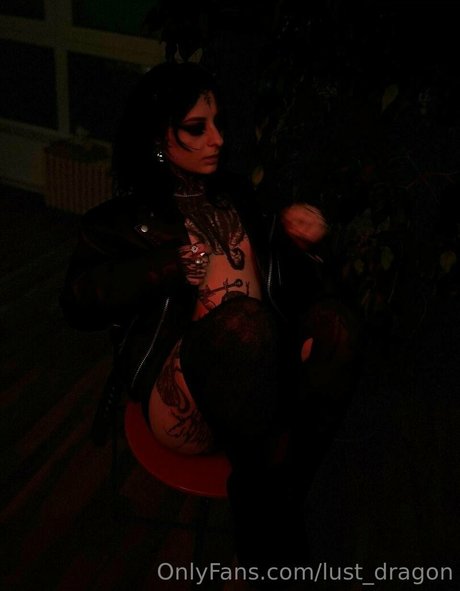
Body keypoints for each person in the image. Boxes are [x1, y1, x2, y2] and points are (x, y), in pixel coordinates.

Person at [60, 61, 360, 582]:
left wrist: (296, 241)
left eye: (218, 123)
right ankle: (276, 547)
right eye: (196, 128)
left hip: (260, 376)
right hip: (185, 392)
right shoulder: (120, 220)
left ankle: (264, 520)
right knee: (244, 325)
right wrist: (166, 267)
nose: (217, 139)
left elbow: (280, 287)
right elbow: (77, 303)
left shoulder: (235, 193)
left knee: (339, 324)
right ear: (159, 139)